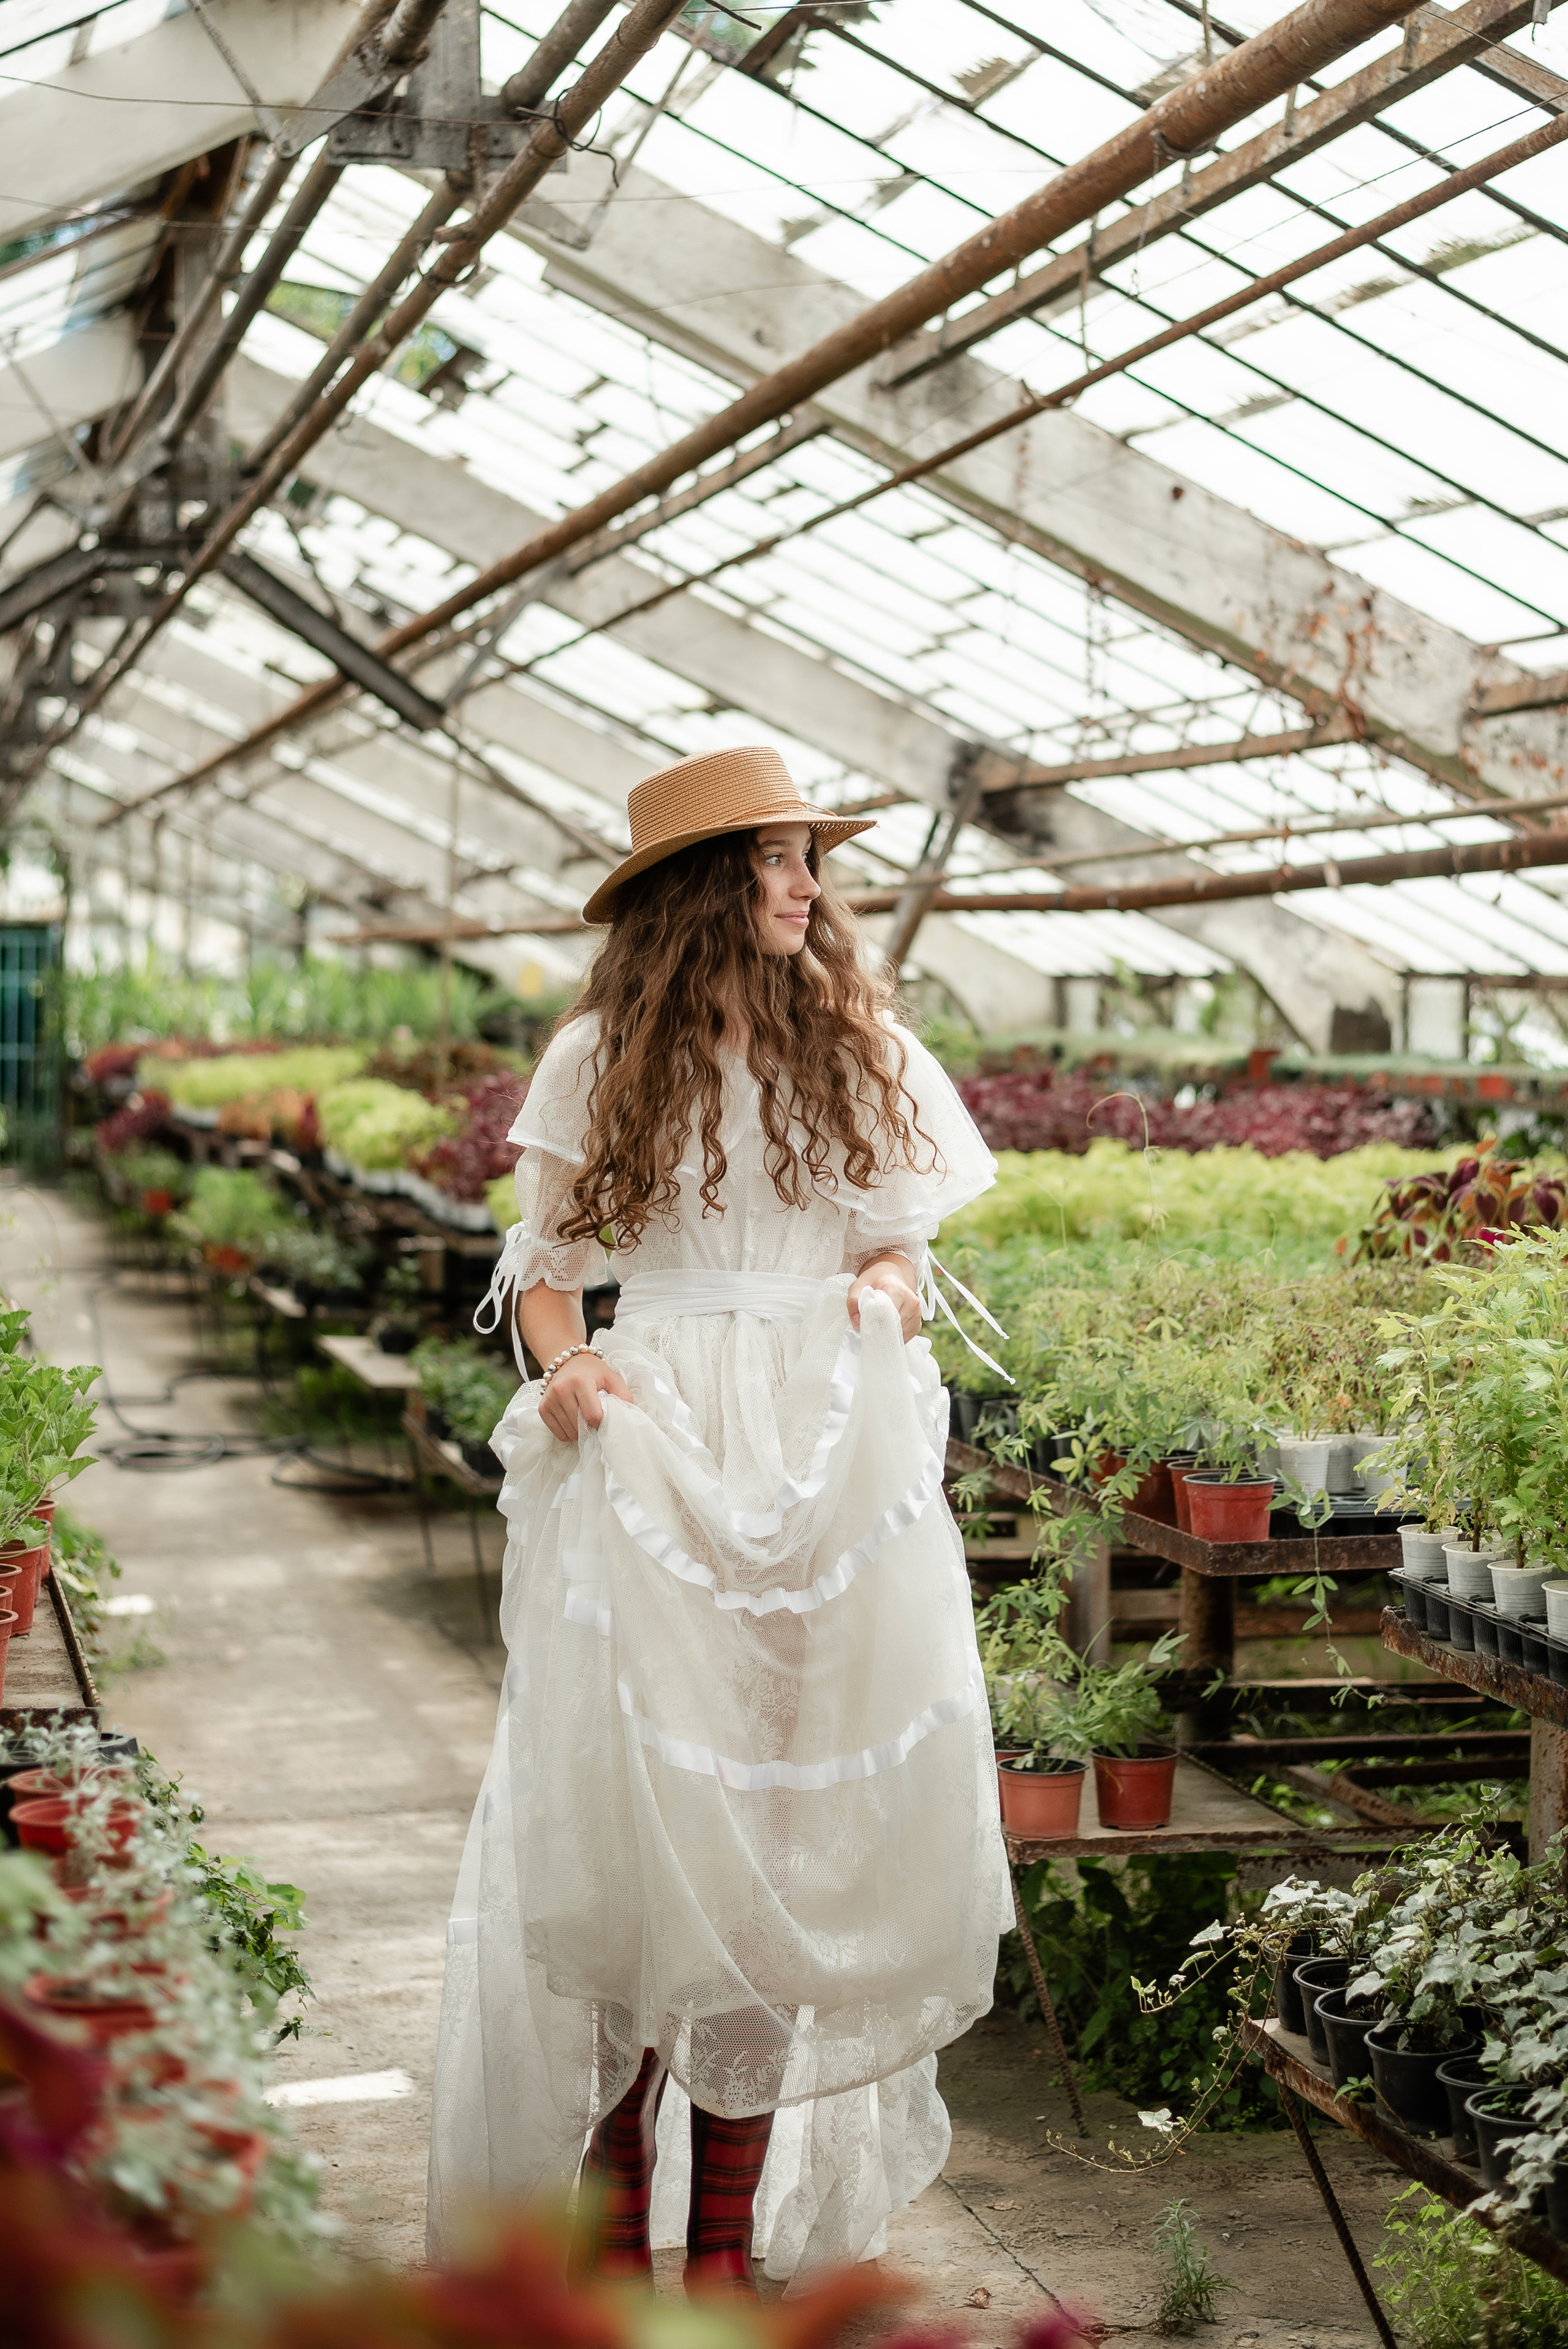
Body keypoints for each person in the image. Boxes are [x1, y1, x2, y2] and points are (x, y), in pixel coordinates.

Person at [427, 744, 1012, 2294]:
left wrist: (878, 1304)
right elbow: (542, 1275)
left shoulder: (861, 1048)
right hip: (657, 1441)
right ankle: (621, 2245)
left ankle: (721, 2262)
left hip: (821, 1448)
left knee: (769, 1834)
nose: (807, 884)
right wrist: (566, 1374)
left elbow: (897, 1249)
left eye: (810, 857)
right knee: (639, 1837)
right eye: (775, 858)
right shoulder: (598, 1057)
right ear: (701, 890)